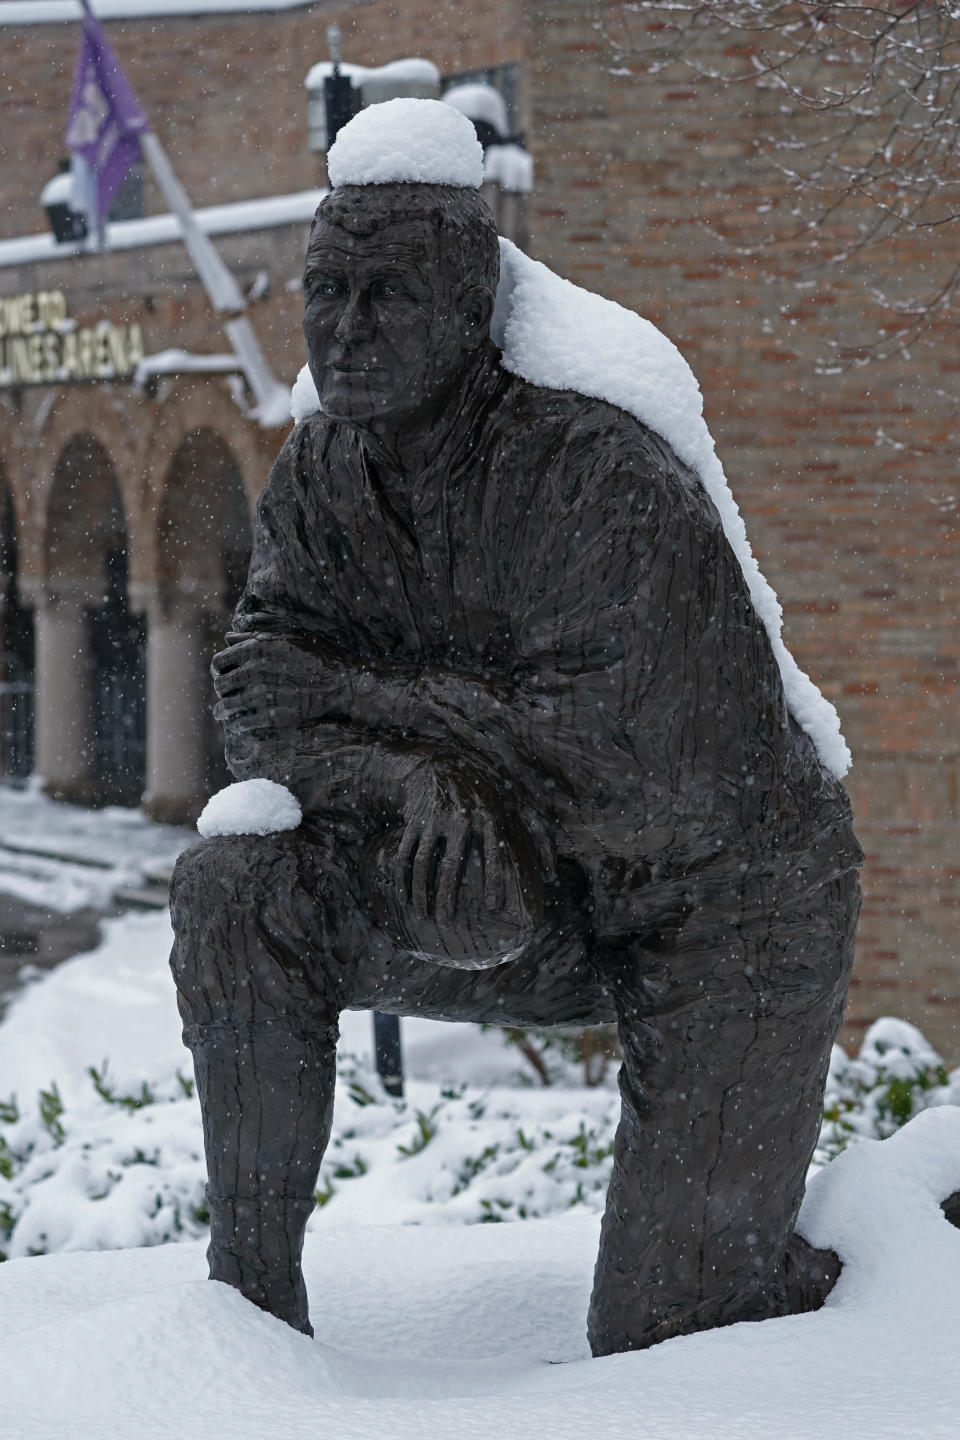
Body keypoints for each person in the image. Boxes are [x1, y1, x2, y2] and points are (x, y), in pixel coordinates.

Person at [169, 100, 861, 1355]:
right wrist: (401, 779)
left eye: (389, 295)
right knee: (239, 886)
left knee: (676, 1331)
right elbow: (259, 685)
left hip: (721, 906)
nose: (347, 327)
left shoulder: (600, 474)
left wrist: (393, 721)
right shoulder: (323, 470)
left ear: (474, 306)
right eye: (328, 290)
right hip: (510, 881)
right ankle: (249, 1329)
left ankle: (885, 1252)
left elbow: (635, 766)